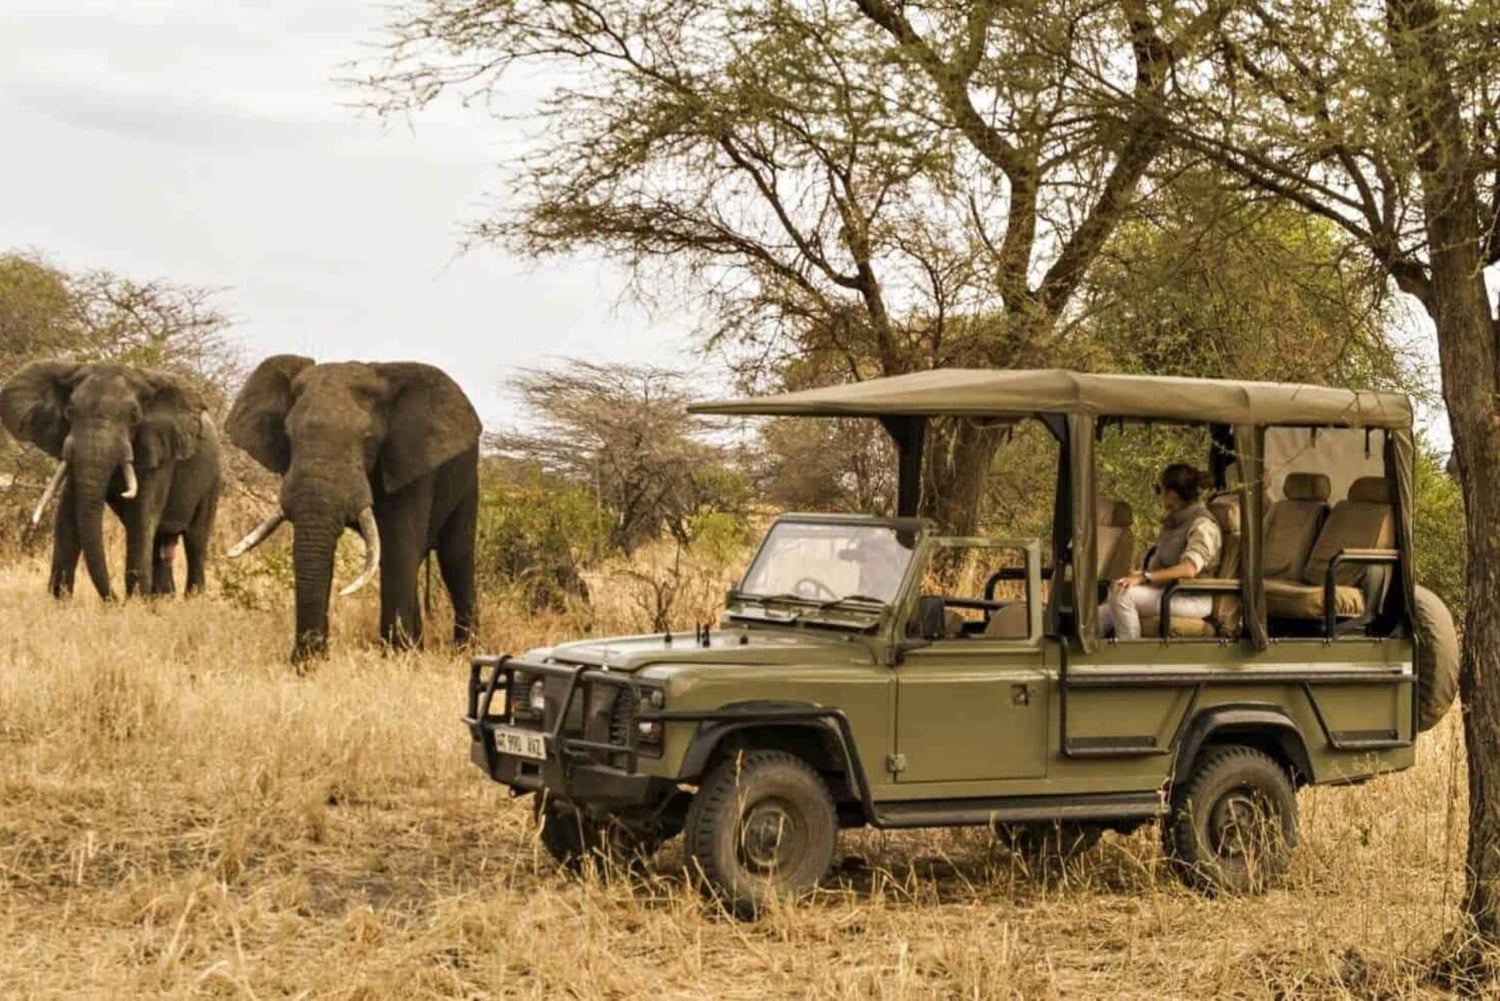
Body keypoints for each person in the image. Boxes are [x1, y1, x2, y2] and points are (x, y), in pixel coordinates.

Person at [1099, 463, 1222, 639]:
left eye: (1159, 489)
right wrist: (1139, 575)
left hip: (1192, 598)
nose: (1159, 496)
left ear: (1172, 495)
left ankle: (1130, 656)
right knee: (1103, 611)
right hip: (1169, 592)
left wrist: (1145, 577)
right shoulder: (1174, 523)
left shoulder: (1202, 525)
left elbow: (1189, 569)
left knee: (1122, 595)